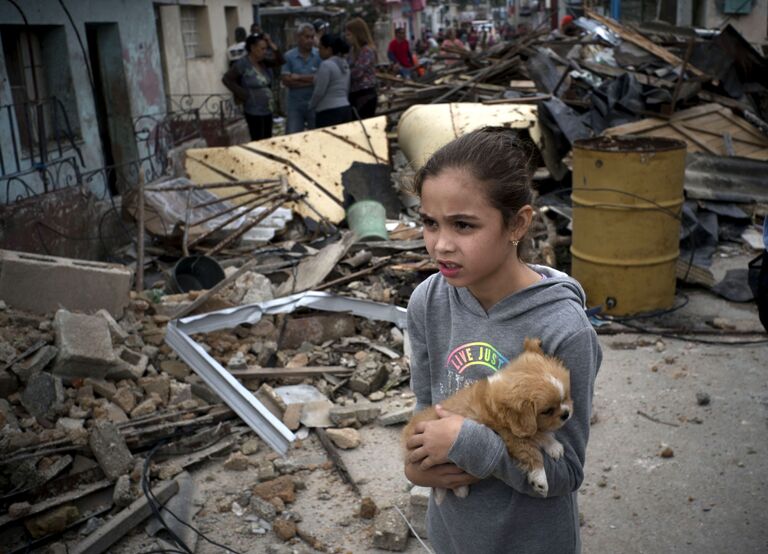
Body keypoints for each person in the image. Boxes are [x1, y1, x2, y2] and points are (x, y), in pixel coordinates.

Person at [403, 127, 602, 553]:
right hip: (453, 536)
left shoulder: (564, 330)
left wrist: (471, 445)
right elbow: (425, 408)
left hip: (530, 540)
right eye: (429, 223)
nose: (441, 245)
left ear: (517, 223)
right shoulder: (428, 301)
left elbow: (565, 472)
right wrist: (416, 466)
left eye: (463, 225)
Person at [222, 33, 284, 141]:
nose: (265, 51)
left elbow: (280, 61)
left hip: (267, 109)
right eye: (262, 49)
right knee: (258, 140)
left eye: (266, 48)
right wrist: (242, 93)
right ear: (252, 48)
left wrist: (272, 44)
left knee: (267, 140)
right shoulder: (243, 64)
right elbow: (226, 79)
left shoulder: (264, 62)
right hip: (254, 110)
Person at [282, 23, 321, 134]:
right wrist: (312, 80)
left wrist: (298, 78)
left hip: (314, 104)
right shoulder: (289, 56)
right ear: (298, 37)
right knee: (293, 137)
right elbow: (286, 81)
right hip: (295, 106)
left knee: (317, 137)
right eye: (306, 37)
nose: (310, 40)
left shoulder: (319, 55)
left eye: (312, 37)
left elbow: (321, 79)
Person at [309, 34, 353, 128]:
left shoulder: (326, 65)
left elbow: (319, 91)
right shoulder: (345, 65)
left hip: (328, 111)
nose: (318, 52)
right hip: (345, 108)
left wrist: (311, 105)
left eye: (320, 48)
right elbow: (347, 88)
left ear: (328, 49)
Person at [345, 17, 378, 119]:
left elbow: (357, 73)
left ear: (357, 35)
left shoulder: (367, 51)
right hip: (354, 94)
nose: (347, 38)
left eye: (349, 35)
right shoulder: (352, 50)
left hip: (365, 95)